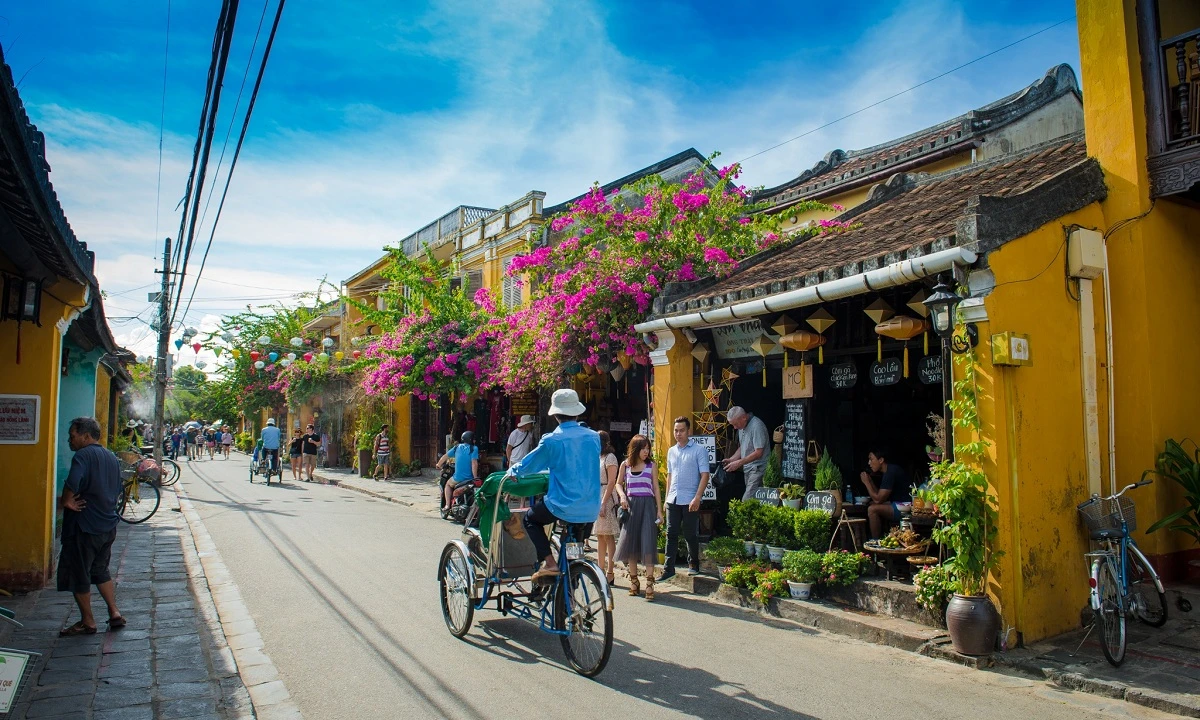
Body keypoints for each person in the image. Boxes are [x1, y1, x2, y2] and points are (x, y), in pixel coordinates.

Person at [506, 389, 601, 584]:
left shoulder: (552, 440)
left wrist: (514, 471)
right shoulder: (593, 437)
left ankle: (549, 562)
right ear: (576, 412)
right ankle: (570, 592)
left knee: (531, 519)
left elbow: (531, 464)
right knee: (574, 554)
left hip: (563, 505)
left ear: (556, 415)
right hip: (590, 507)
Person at [56, 417, 125, 636]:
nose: (70, 440)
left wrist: (66, 500)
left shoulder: (83, 455)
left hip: (84, 526)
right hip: (107, 524)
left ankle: (88, 621)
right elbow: (117, 488)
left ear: (86, 436)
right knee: (100, 570)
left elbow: (73, 480)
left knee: (79, 573)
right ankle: (114, 612)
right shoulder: (111, 457)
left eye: (73, 436)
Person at [613, 434, 663, 599]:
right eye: (643, 448)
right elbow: (618, 483)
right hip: (631, 506)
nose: (646, 452)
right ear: (635, 449)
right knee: (630, 544)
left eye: (648, 448)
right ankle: (634, 581)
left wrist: (659, 511)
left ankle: (649, 582)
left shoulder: (651, 465)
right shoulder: (625, 465)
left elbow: (656, 488)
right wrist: (622, 497)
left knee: (648, 542)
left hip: (648, 505)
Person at [661, 416, 709, 581]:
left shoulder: (699, 450)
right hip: (673, 498)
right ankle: (668, 568)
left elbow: (705, 475)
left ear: (689, 431)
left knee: (690, 534)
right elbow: (669, 475)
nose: (678, 434)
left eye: (681, 430)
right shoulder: (671, 451)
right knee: (671, 533)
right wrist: (666, 498)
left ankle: (693, 563)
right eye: (676, 430)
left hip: (690, 498)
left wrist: (697, 497)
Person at [860, 446, 912, 539]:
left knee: (872, 509)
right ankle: (881, 536)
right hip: (896, 504)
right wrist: (870, 481)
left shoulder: (890, 472)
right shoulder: (888, 470)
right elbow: (879, 496)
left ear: (881, 460)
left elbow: (878, 500)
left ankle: (876, 542)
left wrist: (866, 483)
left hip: (904, 508)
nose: (869, 463)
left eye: (871, 459)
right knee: (871, 504)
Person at [723, 406, 770, 501]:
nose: (735, 427)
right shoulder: (742, 426)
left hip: (758, 468)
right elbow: (743, 446)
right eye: (732, 425)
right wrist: (732, 459)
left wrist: (739, 462)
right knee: (754, 502)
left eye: (735, 424)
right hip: (748, 469)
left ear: (744, 417)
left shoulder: (757, 426)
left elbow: (758, 452)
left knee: (747, 500)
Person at [594, 431, 620, 585]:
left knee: (608, 535)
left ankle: (610, 571)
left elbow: (612, 482)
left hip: (606, 496)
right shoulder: (599, 457)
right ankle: (600, 570)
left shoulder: (610, 458)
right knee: (600, 535)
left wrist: (604, 503)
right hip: (598, 495)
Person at [438, 431, 479, 512]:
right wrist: (475, 477)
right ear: (471, 439)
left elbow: (445, 456)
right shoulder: (474, 448)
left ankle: (447, 505)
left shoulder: (457, 447)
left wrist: (438, 464)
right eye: (473, 439)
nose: (474, 441)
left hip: (458, 478)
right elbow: (474, 463)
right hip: (469, 479)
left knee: (448, 485)